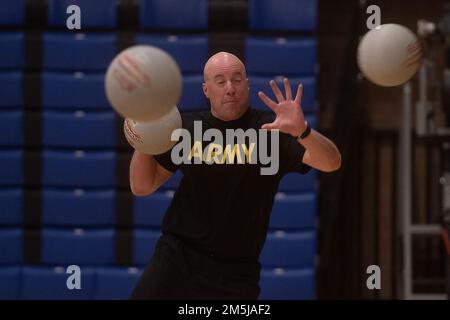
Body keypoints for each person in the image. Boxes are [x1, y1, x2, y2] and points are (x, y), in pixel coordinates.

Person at [129, 52, 341, 299]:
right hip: (177, 259)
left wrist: (303, 131)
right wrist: (144, 136)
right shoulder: (185, 129)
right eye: (220, 81)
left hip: (236, 272)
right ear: (206, 89)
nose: (230, 88)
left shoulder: (272, 130)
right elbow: (142, 186)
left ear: (247, 84)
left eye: (237, 79)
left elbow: (332, 162)